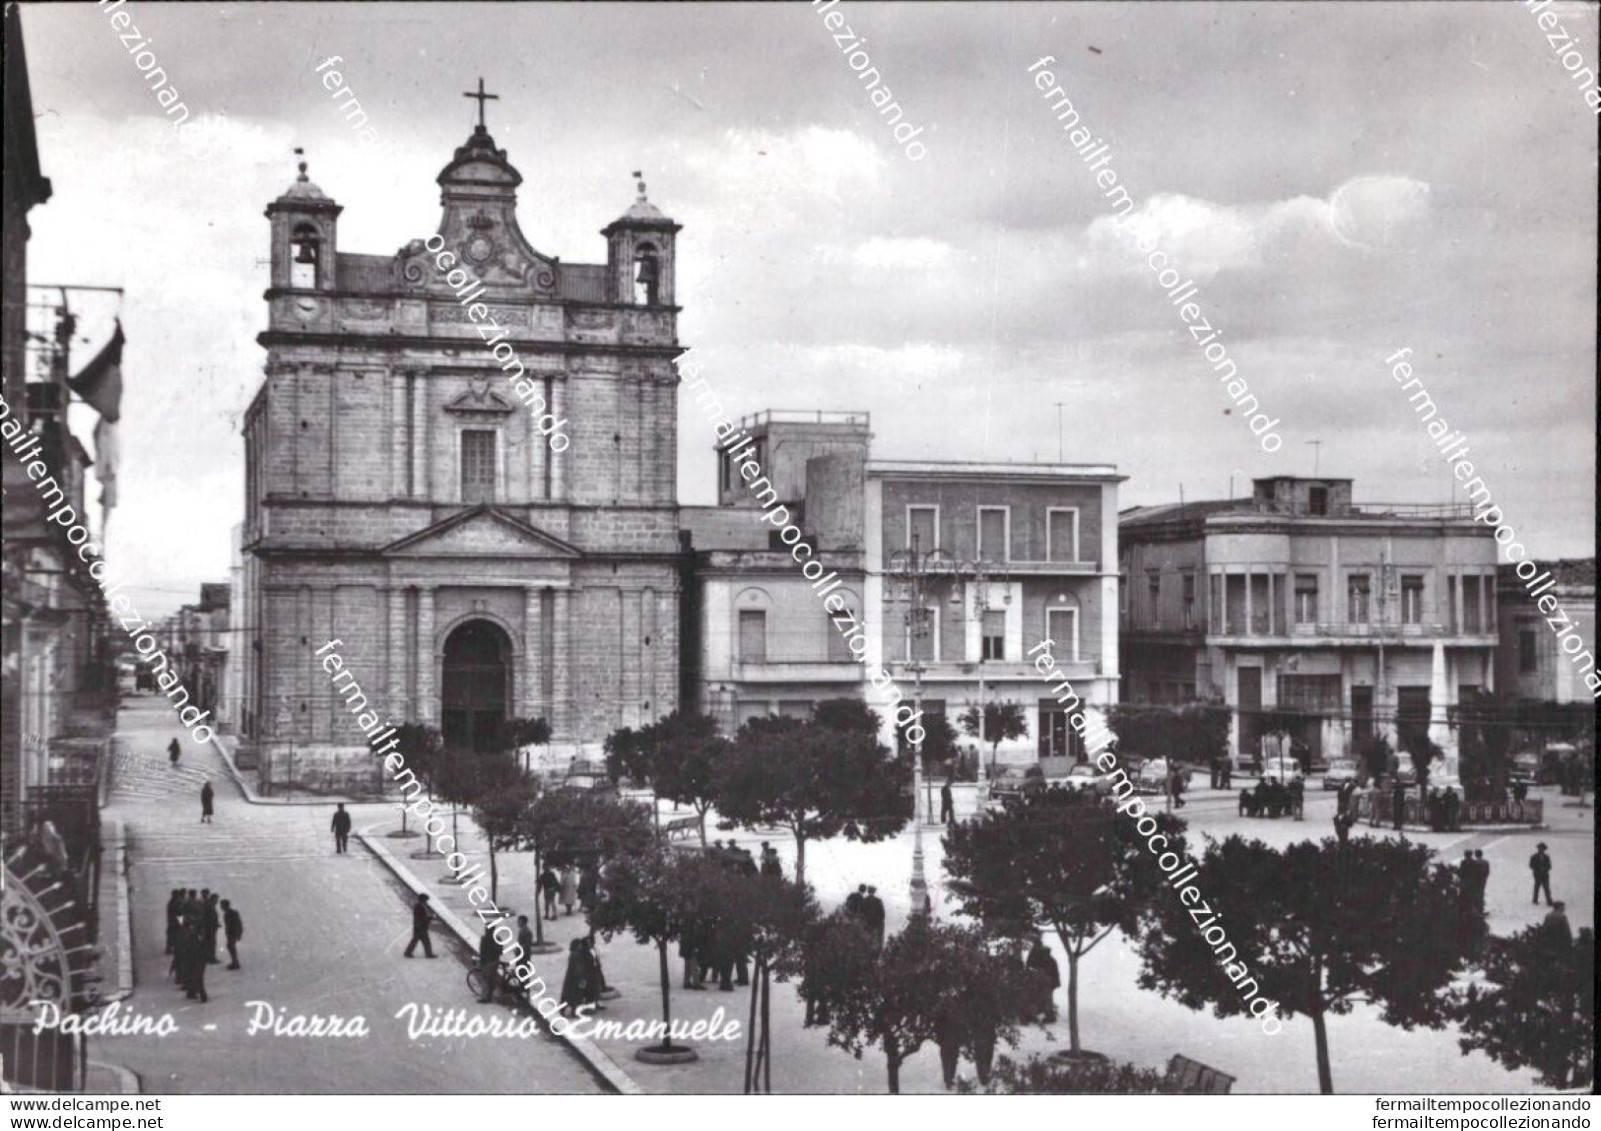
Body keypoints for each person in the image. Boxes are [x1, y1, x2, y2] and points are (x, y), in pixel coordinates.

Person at [1025, 937, 1061, 1022]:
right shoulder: (1036, 956)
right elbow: (1029, 967)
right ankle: (1036, 1014)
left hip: (1046, 982)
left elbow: (1052, 973)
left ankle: (1047, 1015)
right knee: (1036, 998)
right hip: (1040, 982)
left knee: (1044, 998)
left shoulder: (1048, 960)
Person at [559, 937, 595, 1016]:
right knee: (576, 996)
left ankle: (566, 1010)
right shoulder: (577, 955)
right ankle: (573, 1012)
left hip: (572, 978)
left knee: (571, 995)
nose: (581, 946)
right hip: (577, 979)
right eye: (579, 945)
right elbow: (579, 969)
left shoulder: (574, 954)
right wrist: (582, 979)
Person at [476, 924, 503, 1003]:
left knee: (485, 979)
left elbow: (482, 951)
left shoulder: (484, 939)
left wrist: (481, 961)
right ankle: (491, 995)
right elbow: (501, 951)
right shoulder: (498, 938)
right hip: (495, 961)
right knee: (492, 979)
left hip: (487, 962)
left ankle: (485, 998)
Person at [404, 893, 436, 957]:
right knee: (426, 941)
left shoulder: (419, 905)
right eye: (426, 899)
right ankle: (429, 954)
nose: (427, 901)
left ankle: (408, 952)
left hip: (418, 926)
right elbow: (421, 917)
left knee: (415, 940)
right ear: (423, 899)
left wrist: (429, 918)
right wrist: (430, 918)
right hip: (421, 926)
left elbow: (421, 916)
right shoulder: (419, 906)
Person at [222, 899, 244, 970]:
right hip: (230, 933)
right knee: (230, 947)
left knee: (231, 947)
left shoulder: (232, 913)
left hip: (233, 932)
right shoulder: (227, 913)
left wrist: (239, 933)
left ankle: (235, 962)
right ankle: (234, 961)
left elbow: (238, 923)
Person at [862, 886, 886, 950]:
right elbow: (882, 914)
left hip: (866, 923)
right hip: (876, 923)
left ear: (868, 891)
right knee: (876, 940)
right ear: (874, 892)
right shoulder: (878, 901)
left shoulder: (864, 900)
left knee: (866, 939)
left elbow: (861, 912)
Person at [203, 892, 222, 964]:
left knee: (209, 943)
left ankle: (208, 957)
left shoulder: (210, 905)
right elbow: (210, 918)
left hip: (209, 928)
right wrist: (215, 923)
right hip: (210, 928)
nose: (217, 901)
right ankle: (211, 958)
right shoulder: (211, 906)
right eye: (216, 899)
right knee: (211, 943)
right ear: (213, 899)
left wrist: (217, 923)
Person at [164, 888, 183, 956]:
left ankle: (169, 948)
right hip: (174, 922)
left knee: (171, 936)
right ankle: (170, 949)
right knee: (174, 936)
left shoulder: (172, 902)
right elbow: (179, 913)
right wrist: (181, 922)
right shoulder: (175, 903)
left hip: (171, 921)